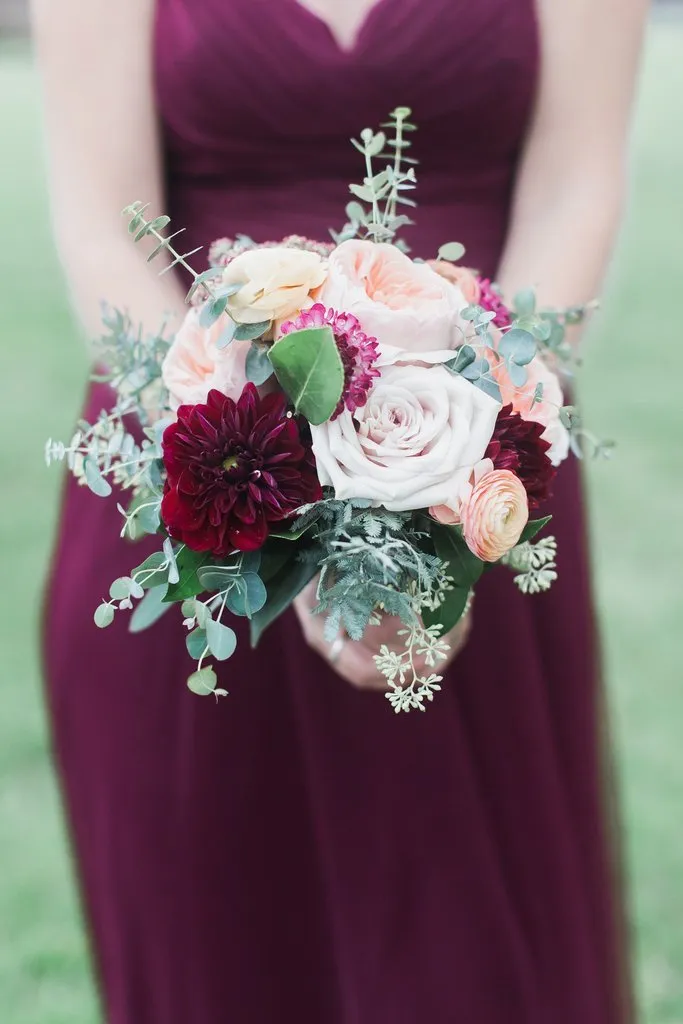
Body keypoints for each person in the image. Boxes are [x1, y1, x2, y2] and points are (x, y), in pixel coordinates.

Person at [34, 0, 648, 1021]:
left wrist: (446, 485)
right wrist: (277, 491)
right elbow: (106, 228)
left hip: (476, 489)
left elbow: (573, 189)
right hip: (201, 507)